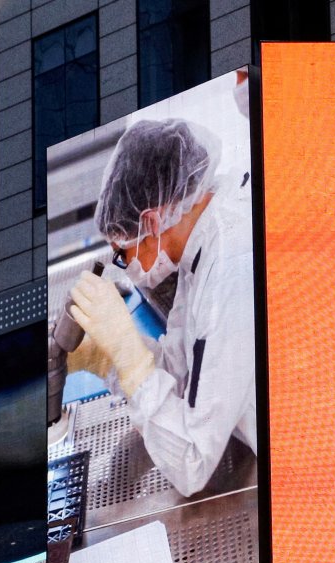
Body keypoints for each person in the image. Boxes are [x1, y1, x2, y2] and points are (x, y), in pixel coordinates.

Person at [67, 116, 256, 497]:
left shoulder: (231, 264)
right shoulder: (199, 243)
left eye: (123, 252)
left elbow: (192, 463)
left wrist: (129, 355)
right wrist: (107, 359)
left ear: (152, 220)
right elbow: (185, 375)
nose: (125, 265)